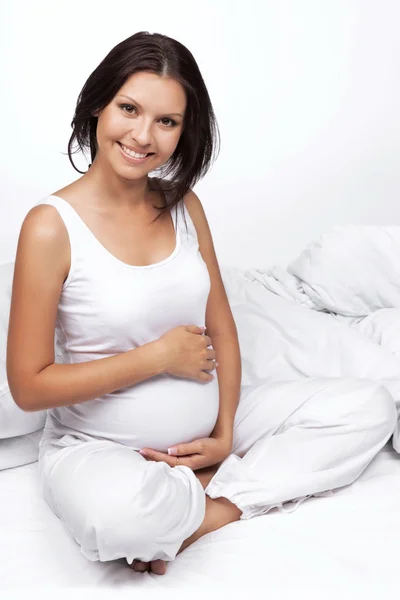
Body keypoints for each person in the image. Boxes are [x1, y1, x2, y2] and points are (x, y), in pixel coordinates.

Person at [6, 31, 397, 577]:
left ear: (184, 130)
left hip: (208, 430)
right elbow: (28, 386)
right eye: (129, 108)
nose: (143, 136)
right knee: (118, 521)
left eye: (166, 121)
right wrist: (156, 358)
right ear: (98, 104)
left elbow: (223, 329)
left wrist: (225, 434)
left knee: (368, 407)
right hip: (102, 445)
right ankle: (182, 505)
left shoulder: (184, 204)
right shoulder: (50, 227)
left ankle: (213, 507)